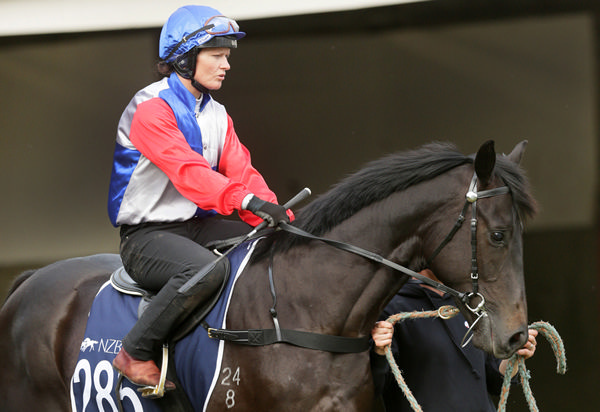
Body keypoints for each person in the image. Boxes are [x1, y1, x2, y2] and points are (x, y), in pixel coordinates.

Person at [107, 5, 292, 391]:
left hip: (197, 226)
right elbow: (190, 173)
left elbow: (243, 173)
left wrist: (277, 216)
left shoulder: (218, 114)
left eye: (227, 56)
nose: (226, 65)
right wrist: (245, 203)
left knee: (270, 247)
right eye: (217, 55)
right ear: (186, 57)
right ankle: (135, 351)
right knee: (207, 270)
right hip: (146, 238)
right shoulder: (150, 108)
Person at [370, 269, 538, 411]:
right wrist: (378, 352)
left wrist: (513, 353)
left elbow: (496, 382)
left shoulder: (472, 303)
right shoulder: (390, 307)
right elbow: (373, 390)